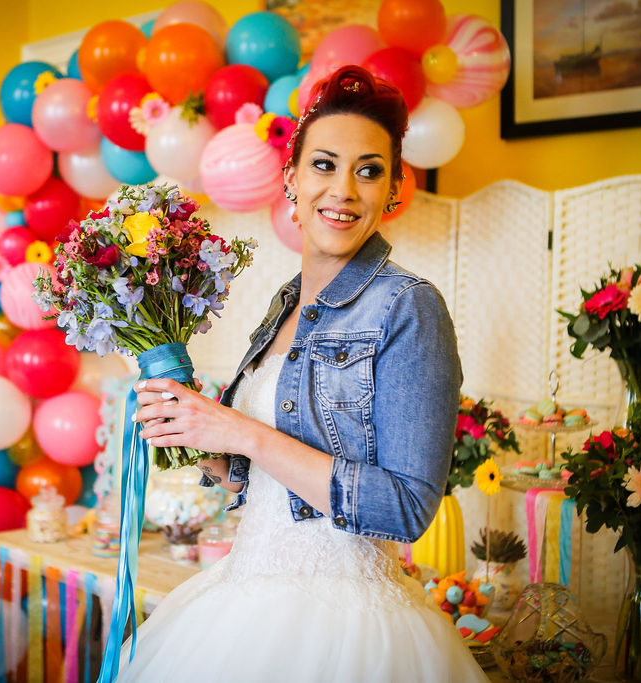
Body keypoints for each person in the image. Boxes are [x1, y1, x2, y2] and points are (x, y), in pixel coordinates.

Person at [120, 65, 487, 682]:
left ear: (393, 189)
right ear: (290, 178)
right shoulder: (285, 304)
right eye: (323, 164)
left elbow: (406, 509)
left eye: (368, 170)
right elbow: (265, 481)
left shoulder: (409, 306)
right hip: (242, 594)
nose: (343, 189)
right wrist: (194, 436)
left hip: (347, 626)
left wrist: (240, 432)